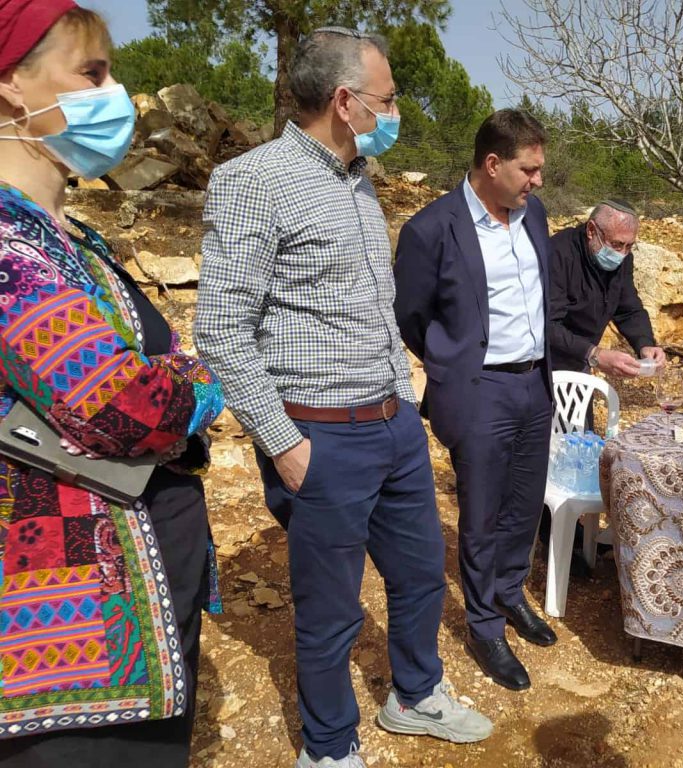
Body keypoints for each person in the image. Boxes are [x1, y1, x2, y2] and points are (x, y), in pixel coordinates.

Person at [194, 27, 491, 768]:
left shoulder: (361, 181)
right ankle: (328, 748)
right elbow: (223, 330)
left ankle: (414, 695)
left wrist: (404, 398)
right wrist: (283, 444)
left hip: (392, 428)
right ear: (344, 100)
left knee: (422, 572)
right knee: (329, 611)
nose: (396, 110)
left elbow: (373, 309)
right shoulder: (253, 181)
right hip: (318, 436)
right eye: (387, 98)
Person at [0, 3, 224, 767]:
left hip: (140, 580)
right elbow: (126, 408)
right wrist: (200, 377)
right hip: (74, 628)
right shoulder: (7, 248)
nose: (116, 93)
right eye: (91, 73)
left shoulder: (68, 234)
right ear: (12, 90)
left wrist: (173, 377)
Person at [394, 110, 556, 692]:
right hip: (479, 388)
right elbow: (411, 317)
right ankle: (483, 622)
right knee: (482, 512)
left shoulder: (532, 214)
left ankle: (509, 594)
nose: (538, 181)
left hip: (535, 384)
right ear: (493, 164)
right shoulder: (431, 229)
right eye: (528, 169)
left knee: (523, 504)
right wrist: (450, 362)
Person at [549, 199, 665, 376]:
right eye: (617, 244)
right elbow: (547, 324)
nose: (621, 254)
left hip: (581, 364)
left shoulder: (623, 260)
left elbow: (628, 309)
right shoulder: (558, 254)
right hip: (545, 364)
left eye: (629, 246)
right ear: (591, 230)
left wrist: (645, 343)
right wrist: (594, 354)